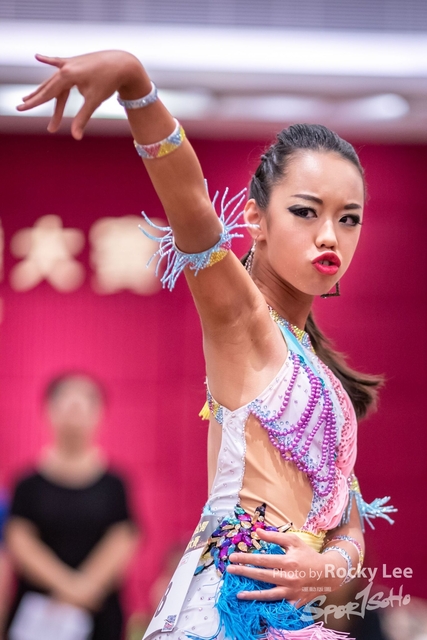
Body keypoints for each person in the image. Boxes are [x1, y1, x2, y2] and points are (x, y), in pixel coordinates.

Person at [16, 52, 396, 640]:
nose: (329, 235)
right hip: (221, 615)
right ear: (256, 219)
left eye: (349, 218)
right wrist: (135, 85)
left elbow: (348, 521)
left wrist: (329, 567)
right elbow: (190, 202)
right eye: (305, 212)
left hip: (289, 619)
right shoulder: (242, 319)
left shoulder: (320, 372)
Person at [5, 372, 138, 640]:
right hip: (38, 617)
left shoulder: (115, 485)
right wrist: (69, 588)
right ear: (48, 411)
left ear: (99, 414)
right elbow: (20, 541)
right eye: (66, 402)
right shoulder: (26, 484)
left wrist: (85, 587)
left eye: (85, 403)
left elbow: (123, 538)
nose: (75, 412)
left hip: (99, 616)